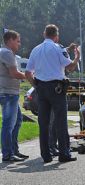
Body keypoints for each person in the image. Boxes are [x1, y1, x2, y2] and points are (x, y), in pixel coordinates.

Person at [25, 24, 80, 163]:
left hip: (41, 88)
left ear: (44, 34)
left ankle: (46, 155)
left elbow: (27, 73)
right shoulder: (58, 48)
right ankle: (64, 154)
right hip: (56, 88)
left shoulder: (35, 50)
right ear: (56, 36)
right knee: (61, 122)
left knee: (43, 123)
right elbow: (70, 67)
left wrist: (36, 86)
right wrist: (77, 57)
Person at [0, 30, 28, 162]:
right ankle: (7, 154)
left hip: (10, 93)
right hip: (8, 93)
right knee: (8, 124)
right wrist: (29, 76)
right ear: (10, 40)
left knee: (17, 121)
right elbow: (14, 73)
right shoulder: (6, 53)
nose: (19, 44)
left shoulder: (5, 53)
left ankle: (14, 150)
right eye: (17, 41)